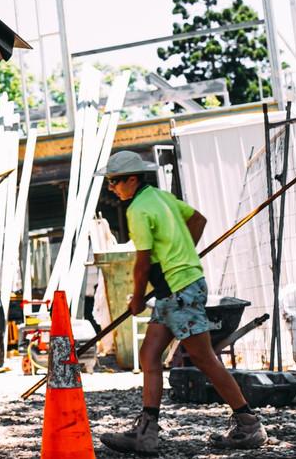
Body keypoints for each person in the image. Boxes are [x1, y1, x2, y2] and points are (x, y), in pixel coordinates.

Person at [97, 151, 267, 455]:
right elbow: (198, 219)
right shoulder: (161, 197)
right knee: (149, 354)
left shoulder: (137, 209)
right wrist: (183, 252)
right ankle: (146, 433)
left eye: (114, 182)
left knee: (203, 358)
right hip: (175, 290)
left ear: (132, 180)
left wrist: (136, 298)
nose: (112, 188)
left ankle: (248, 423)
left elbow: (142, 263)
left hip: (179, 289)